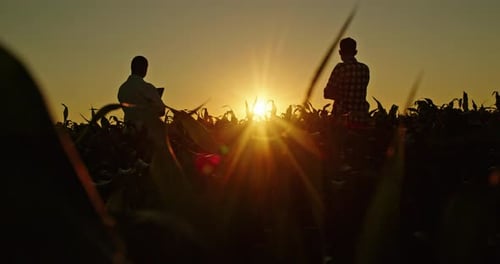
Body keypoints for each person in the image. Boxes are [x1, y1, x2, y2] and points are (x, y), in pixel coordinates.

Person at [118, 56, 166, 159]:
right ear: (144, 68)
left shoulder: (122, 89)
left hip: (128, 133)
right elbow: (161, 110)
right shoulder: (146, 88)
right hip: (147, 136)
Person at [323, 37, 370, 127]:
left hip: (342, 120)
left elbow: (327, 93)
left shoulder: (340, 68)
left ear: (340, 52)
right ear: (355, 52)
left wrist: (339, 95)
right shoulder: (364, 69)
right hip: (362, 120)